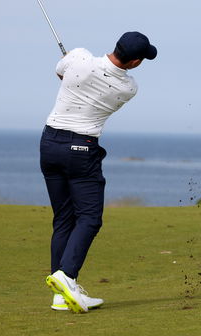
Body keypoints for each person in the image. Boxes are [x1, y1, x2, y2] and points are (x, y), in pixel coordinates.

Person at [40, 31, 157, 313]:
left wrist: (72, 67)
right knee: (90, 218)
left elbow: (61, 73)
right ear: (135, 62)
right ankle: (66, 277)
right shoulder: (128, 88)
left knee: (64, 218)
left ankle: (61, 295)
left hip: (49, 143)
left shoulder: (78, 56)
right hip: (81, 148)